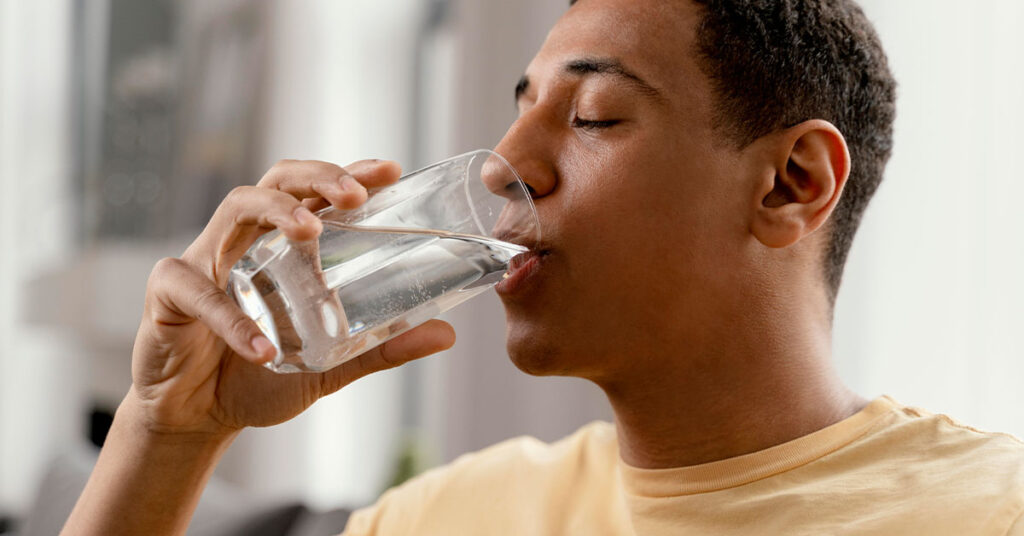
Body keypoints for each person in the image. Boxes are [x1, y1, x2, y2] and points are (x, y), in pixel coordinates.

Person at [64, 0, 1024, 534]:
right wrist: (172, 434)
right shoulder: (446, 518)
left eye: (594, 115)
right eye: (518, 108)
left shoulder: (988, 513)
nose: (500, 165)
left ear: (790, 184)